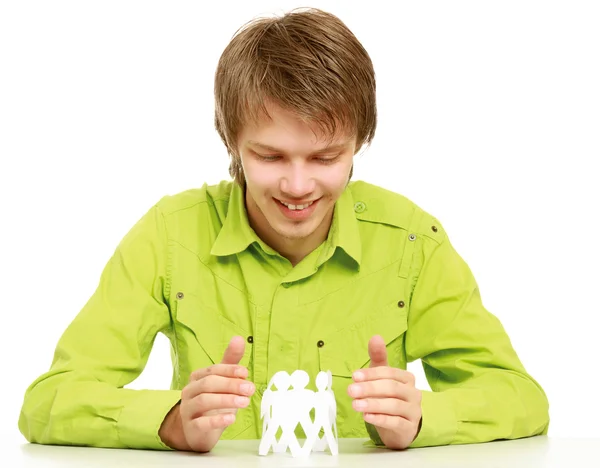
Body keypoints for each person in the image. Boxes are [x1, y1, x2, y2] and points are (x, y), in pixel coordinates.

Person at [18, 7, 550, 453]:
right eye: (270, 155)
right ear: (231, 140)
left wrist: (420, 419)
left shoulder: (412, 240)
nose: (298, 185)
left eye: (325, 156)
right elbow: (48, 402)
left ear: (359, 142)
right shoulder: (169, 234)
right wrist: (169, 420)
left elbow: (522, 399)